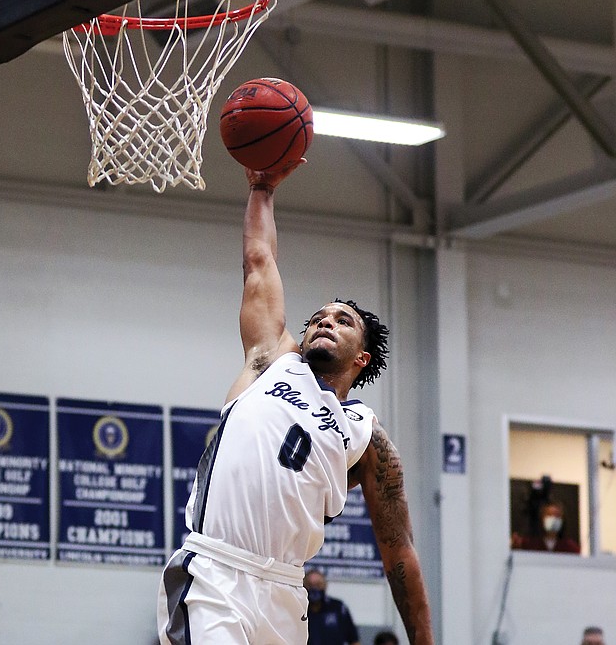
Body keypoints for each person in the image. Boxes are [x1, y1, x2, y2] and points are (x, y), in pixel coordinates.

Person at [157, 162, 433, 644]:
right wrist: (261, 187)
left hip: (287, 594)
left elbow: (398, 548)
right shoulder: (270, 362)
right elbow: (259, 260)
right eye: (318, 317)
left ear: (362, 358)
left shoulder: (366, 437)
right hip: (217, 571)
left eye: (343, 320)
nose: (325, 321)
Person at [303, 568, 359, 645]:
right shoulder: (299, 609)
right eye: (310, 585)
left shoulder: (338, 608)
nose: (314, 589)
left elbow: (354, 640)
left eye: (318, 585)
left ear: (325, 586)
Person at [511, 500, 580, 553]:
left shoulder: (570, 547)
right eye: (549, 515)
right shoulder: (529, 544)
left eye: (557, 515)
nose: (553, 518)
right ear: (542, 518)